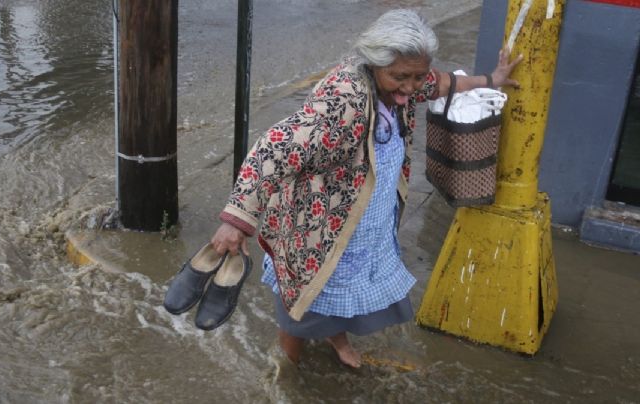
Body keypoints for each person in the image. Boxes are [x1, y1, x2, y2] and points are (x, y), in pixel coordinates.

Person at [210, 9, 521, 368]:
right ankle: (287, 369)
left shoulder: (406, 79)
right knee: (302, 306)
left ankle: (335, 335)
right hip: (318, 227)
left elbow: (440, 83)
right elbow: (275, 148)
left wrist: (490, 79)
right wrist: (236, 221)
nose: (410, 88)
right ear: (374, 64)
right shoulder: (345, 101)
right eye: (400, 78)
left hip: (361, 226)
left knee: (341, 294)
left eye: (417, 76)